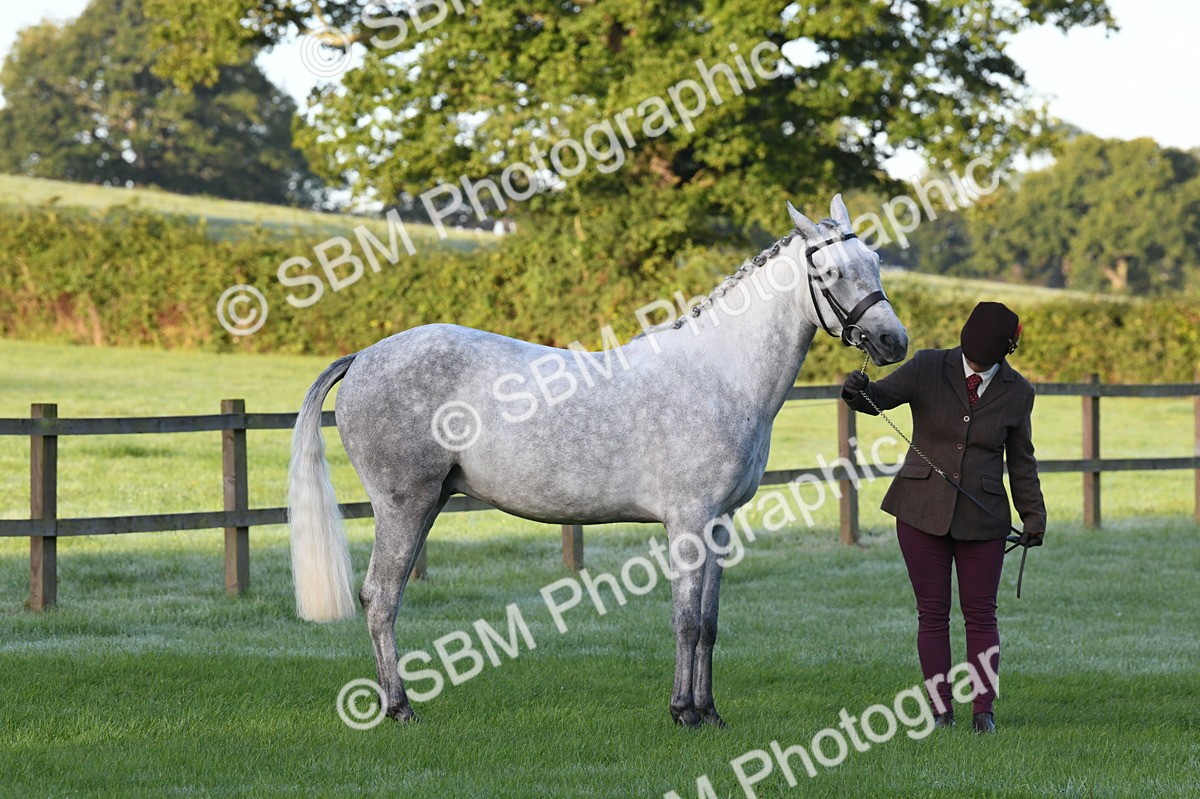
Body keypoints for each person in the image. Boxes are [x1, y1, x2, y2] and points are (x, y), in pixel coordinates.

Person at [841, 301, 1046, 733]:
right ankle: (940, 711)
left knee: (981, 614)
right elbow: (878, 399)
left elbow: (1021, 460)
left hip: (984, 519)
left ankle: (983, 711)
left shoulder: (1019, 391)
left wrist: (1033, 516)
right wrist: (858, 389)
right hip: (919, 511)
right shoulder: (927, 366)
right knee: (932, 614)